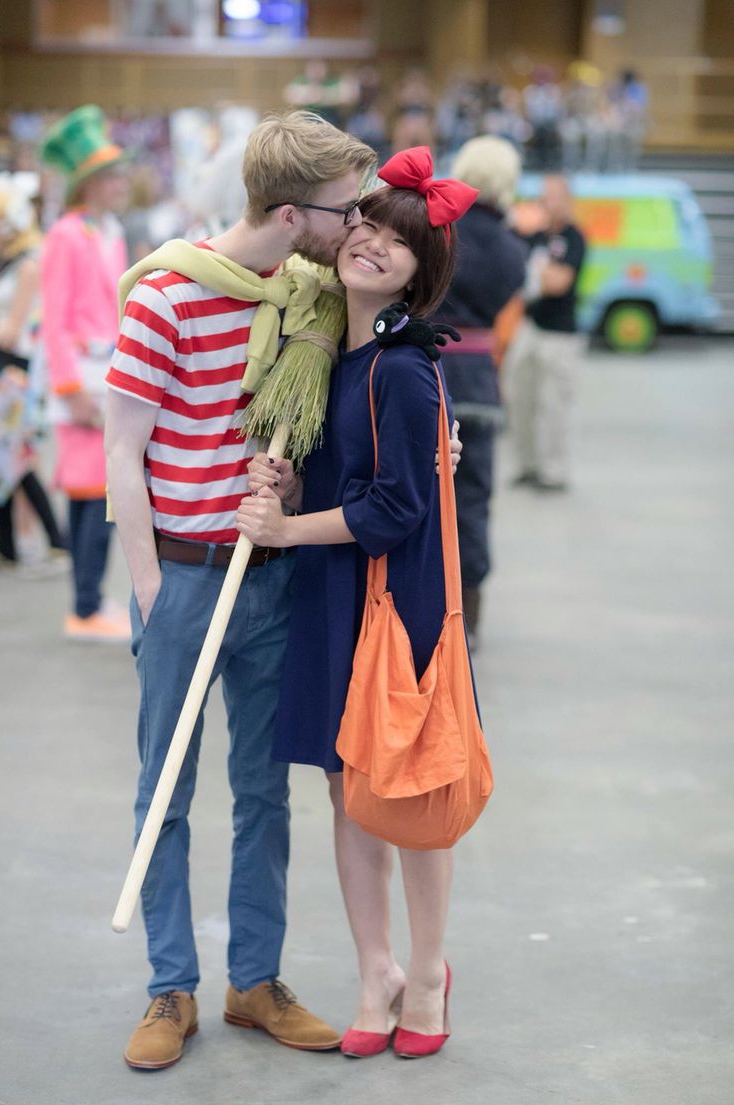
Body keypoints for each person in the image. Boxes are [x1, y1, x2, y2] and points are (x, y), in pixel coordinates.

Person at [104, 110, 376, 1071]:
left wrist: (291, 485)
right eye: (346, 209)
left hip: (272, 583)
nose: (358, 223)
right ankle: (168, 986)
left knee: (264, 793)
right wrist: (148, 591)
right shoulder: (167, 298)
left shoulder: (308, 305)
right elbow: (122, 455)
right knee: (165, 787)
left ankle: (253, 979)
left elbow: (311, 434)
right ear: (294, 211)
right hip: (181, 580)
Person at [236, 146, 480, 1060]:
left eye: (399, 240)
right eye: (367, 225)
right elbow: (350, 473)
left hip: (394, 596)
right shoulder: (327, 349)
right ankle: (373, 966)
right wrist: (287, 484)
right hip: (332, 592)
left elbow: (397, 508)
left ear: (424, 270)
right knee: (347, 789)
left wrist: (286, 531)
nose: (373, 243)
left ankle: (426, 970)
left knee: (407, 785)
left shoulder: (404, 365)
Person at [40, 105, 131, 639]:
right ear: (91, 183)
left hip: (109, 373)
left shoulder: (109, 230)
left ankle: (88, 601)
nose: (122, 182)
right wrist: (69, 386)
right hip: (80, 377)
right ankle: (85, 606)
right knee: (93, 494)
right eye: (112, 174)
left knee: (99, 492)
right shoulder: (67, 234)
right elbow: (53, 317)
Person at [433, 136, 527, 646]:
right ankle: (469, 616)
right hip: (481, 382)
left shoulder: (440, 232)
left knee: (420, 492)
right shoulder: (513, 248)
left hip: (427, 371)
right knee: (473, 500)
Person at [0, 171, 67, 569]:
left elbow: (12, 331)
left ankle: (56, 539)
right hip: (5, 372)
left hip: (15, 373)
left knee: (18, 462)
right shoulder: (9, 262)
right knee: (7, 461)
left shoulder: (27, 265)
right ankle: (8, 546)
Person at [504, 174, 586, 492]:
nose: (545, 202)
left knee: (553, 404)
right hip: (530, 327)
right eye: (543, 196)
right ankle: (527, 465)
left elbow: (559, 284)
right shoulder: (534, 237)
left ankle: (554, 472)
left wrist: (535, 274)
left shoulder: (574, 238)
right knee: (518, 395)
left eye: (553, 196)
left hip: (559, 335)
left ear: (567, 201)